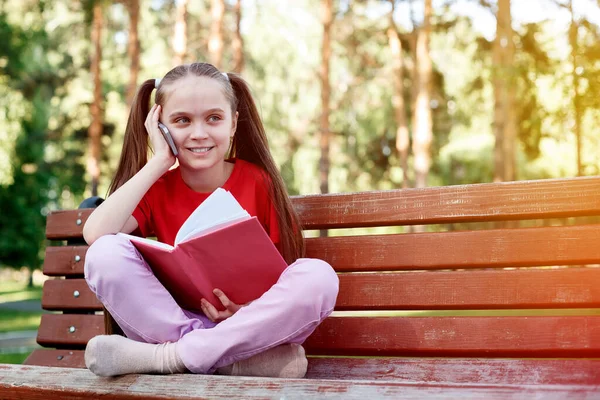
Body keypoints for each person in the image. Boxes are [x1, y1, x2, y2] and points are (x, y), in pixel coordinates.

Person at [82, 62, 339, 378]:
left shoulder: (258, 181)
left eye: (213, 118)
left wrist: (246, 311)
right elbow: (96, 233)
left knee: (318, 275)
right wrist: (159, 161)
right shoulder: (155, 189)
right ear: (160, 127)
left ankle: (170, 359)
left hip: (253, 326)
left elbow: (281, 275)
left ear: (233, 124)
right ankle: (227, 360)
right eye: (181, 120)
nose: (199, 133)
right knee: (103, 253)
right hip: (183, 323)